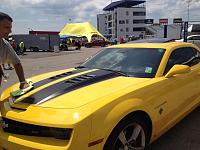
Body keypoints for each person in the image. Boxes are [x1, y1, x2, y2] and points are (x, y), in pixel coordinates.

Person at [0, 12, 28, 89]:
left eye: (10, 27)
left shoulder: (5, 45)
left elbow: (17, 63)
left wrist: (22, 82)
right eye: (6, 27)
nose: (10, 31)